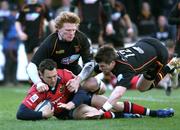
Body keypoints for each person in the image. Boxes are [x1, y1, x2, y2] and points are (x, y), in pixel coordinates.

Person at [16, 59, 174, 120]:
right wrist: (41, 114)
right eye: (49, 77)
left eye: (54, 75)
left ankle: (155, 113)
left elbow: (80, 91)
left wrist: (72, 103)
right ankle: (121, 116)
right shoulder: (37, 91)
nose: (53, 79)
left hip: (75, 100)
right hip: (65, 112)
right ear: (40, 76)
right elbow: (21, 113)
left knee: (113, 103)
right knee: (89, 115)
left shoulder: (63, 75)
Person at [87, 37, 179, 116]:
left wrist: (101, 111)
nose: (99, 68)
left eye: (102, 66)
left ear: (112, 63)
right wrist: (78, 79)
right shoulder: (111, 57)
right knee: (140, 85)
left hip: (159, 54)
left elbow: (118, 94)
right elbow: (93, 71)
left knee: (142, 88)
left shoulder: (125, 69)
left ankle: (169, 67)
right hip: (145, 43)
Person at [26, 11, 97, 93]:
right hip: (56, 76)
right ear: (58, 29)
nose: (72, 33)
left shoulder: (82, 39)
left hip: (74, 73)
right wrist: (38, 83)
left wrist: (78, 80)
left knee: (96, 85)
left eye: (74, 30)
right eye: (68, 30)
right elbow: (31, 66)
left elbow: (90, 63)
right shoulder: (50, 42)